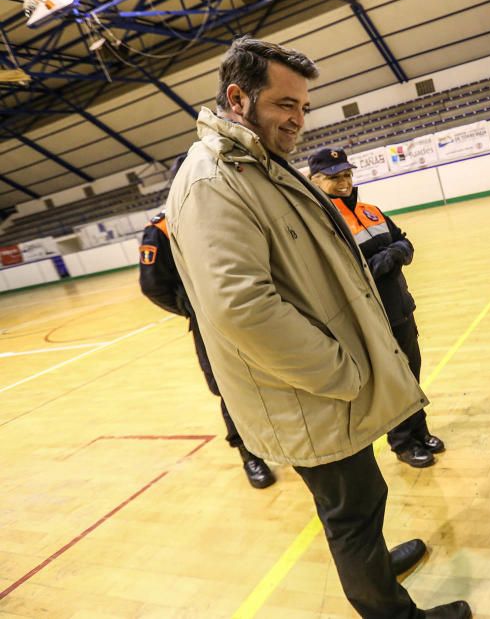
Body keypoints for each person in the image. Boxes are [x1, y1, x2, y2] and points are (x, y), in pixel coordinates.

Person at [165, 36, 470, 619]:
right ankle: (389, 609)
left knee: (365, 496)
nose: (298, 120)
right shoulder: (213, 181)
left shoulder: (258, 165)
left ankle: (376, 572)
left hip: (319, 388)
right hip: (305, 391)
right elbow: (240, 306)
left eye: (303, 107)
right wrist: (340, 370)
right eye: (285, 105)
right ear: (238, 97)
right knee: (351, 513)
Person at [307, 147, 445, 468]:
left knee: (411, 372)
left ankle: (420, 431)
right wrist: (379, 262)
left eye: (347, 174)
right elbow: (342, 273)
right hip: (371, 319)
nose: (344, 182)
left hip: (400, 308)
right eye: (334, 177)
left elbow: (404, 242)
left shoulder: (371, 211)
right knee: (390, 382)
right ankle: (402, 443)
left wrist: (395, 253)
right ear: (315, 181)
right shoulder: (323, 223)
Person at [139, 191, 275, 489]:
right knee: (229, 387)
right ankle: (249, 454)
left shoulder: (227, 210)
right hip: (210, 325)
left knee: (273, 373)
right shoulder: (160, 229)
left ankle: (281, 440)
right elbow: (152, 285)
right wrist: (190, 307)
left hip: (255, 310)